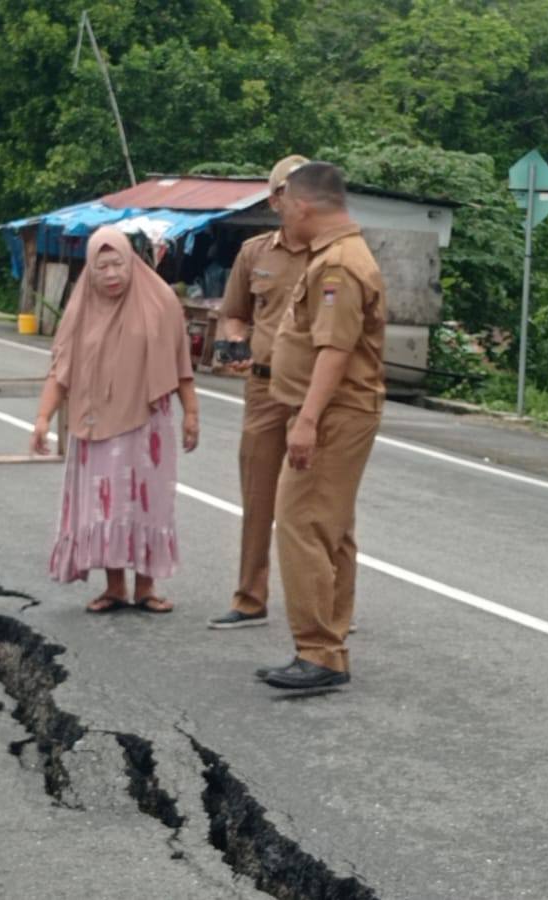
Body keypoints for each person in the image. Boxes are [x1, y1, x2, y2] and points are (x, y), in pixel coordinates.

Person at [255, 162, 386, 690]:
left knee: (303, 524)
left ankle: (319, 652)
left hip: (333, 414)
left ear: (304, 205)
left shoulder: (339, 265)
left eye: (284, 203)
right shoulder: (337, 255)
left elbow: (335, 350)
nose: (282, 213)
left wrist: (306, 421)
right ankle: (327, 645)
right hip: (335, 411)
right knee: (330, 528)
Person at [31, 227, 201, 613]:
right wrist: (43, 418)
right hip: (97, 425)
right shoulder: (81, 309)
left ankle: (146, 587)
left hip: (147, 426)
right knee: (106, 504)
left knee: (147, 502)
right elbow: (60, 370)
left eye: (118, 264)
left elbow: (180, 364)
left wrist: (191, 412)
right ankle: (114, 587)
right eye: (101, 266)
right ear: (90, 270)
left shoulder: (159, 300)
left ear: (132, 261)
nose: (111, 274)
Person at [207, 154, 310, 630]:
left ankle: (330, 604)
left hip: (315, 392)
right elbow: (234, 314)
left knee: (323, 503)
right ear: (274, 200)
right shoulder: (254, 253)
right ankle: (250, 598)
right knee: (257, 496)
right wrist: (235, 343)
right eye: (292, 190)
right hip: (264, 388)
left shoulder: (333, 254)